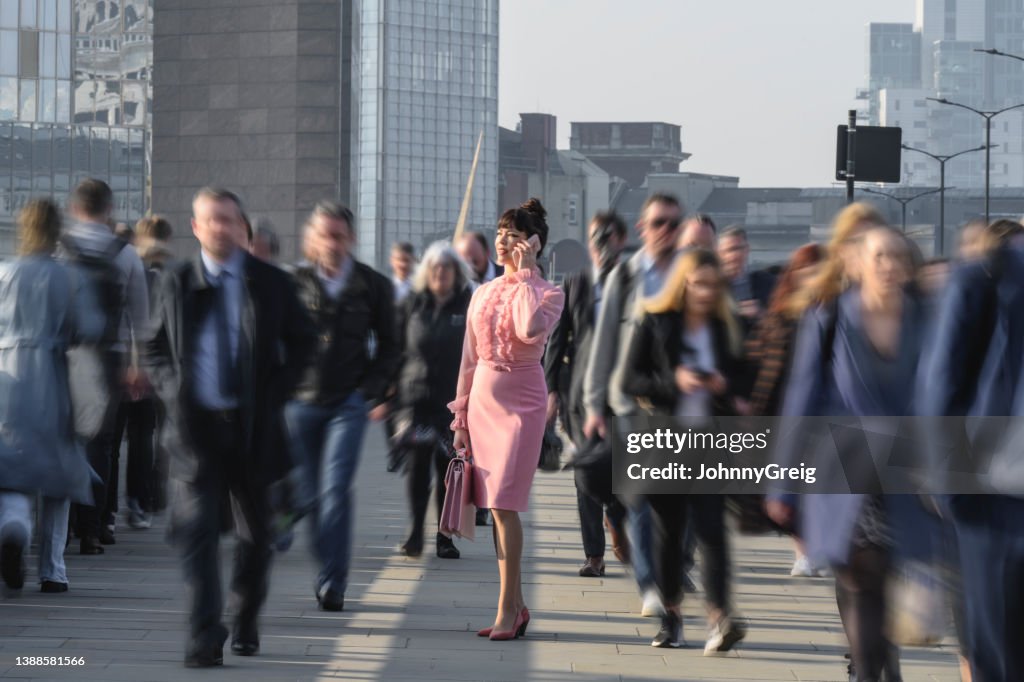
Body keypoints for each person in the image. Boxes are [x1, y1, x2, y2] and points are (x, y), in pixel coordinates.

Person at [144, 187, 315, 667]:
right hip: (195, 429)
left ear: (244, 228)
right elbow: (155, 345)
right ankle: (204, 635)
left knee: (256, 536)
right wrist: (171, 385)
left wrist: (275, 391)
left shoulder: (273, 283)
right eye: (211, 220)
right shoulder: (176, 280)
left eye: (229, 220)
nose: (221, 227)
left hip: (253, 429)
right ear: (196, 228)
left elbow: (304, 344)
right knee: (197, 533)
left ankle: (244, 614)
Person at [772, 219, 926, 682]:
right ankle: (869, 671)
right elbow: (801, 399)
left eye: (898, 256)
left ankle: (882, 664)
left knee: (889, 579)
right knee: (860, 575)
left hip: (906, 471)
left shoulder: (926, 318)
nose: (889, 265)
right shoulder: (831, 317)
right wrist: (782, 484)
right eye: (879, 255)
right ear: (857, 263)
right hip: (843, 466)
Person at [621, 248, 747, 652]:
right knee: (670, 536)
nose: (707, 293)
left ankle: (720, 618)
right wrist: (674, 381)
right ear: (683, 283)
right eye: (699, 284)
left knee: (713, 532)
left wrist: (725, 387)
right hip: (667, 442)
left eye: (714, 285)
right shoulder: (656, 322)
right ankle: (671, 617)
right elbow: (630, 380)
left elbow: (744, 376)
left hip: (712, 442)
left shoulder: (726, 327)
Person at [449, 198, 564, 640]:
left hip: (523, 403)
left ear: (533, 244)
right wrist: (459, 419)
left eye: (514, 235)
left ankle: (505, 608)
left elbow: (528, 328)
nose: (503, 240)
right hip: (481, 403)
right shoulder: (481, 292)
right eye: (501, 232)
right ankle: (515, 606)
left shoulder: (548, 293)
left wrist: (528, 274)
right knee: (494, 507)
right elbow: (468, 360)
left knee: (504, 504)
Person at [919, 220, 1024, 681]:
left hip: (994, 501)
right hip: (996, 498)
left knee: (999, 656)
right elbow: (943, 386)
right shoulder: (987, 275)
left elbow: (941, 385)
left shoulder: (984, 273)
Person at [285, 201, 398, 613]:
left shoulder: (373, 286)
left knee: (335, 490)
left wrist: (369, 390)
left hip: (346, 403)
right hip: (299, 401)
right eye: (323, 235)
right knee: (308, 495)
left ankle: (333, 581)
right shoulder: (293, 282)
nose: (330, 243)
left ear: (351, 238)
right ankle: (312, 541)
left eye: (338, 235)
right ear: (312, 237)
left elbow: (391, 347)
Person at [582, 192, 685, 617]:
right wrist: (592, 405)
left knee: (678, 509)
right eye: (658, 222)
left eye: (673, 223)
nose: (667, 231)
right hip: (631, 405)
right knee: (641, 501)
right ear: (642, 228)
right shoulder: (624, 276)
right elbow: (603, 342)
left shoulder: (690, 273)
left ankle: (669, 575)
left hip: (681, 409)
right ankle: (650, 587)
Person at [0, 199, 103, 593]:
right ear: (57, 229)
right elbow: (89, 327)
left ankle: (15, 528)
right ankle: (53, 569)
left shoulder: (5, 272)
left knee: (11, 464)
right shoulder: (69, 276)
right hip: (52, 375)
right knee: (59, 469)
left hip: (7, 377)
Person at [61, 179, 149, 554]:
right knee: (104, 442)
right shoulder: (126, 254)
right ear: (109, 210)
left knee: (66, 438)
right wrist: (136, 366)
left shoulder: (59, 250)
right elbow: (140, 319)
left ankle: (63, 523)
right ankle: (94, 527)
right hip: (110, 355)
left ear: (74, 208)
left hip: (67, 354)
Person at [544, 211, 630, 577]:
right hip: (579, 396)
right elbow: (556, 340)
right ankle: (594, 554)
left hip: (623, 394)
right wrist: (550, 392)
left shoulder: (634, 283)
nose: (600, 243)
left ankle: (618, 519)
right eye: (595, 236)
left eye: (607, 236)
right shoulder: (576, 283)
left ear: (620, 241)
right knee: (585, 472)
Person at [742, 244, 826, 576]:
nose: (811, 278)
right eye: (805, 271)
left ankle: (815, 546)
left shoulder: (840, 313)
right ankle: (805, 551)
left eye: (817, 270)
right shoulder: (780, 316)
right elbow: (755, 361)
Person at [392, 242, 473, 559]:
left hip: (451, 401)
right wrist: (391, 392)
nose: (441, 273)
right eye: (436, 268)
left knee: (447, 469)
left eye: (447, 268)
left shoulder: (466, 305)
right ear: (427, 271)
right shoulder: (413, 302)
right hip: (415, 399)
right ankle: (414, 532)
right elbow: (396, 346)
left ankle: (444, 536)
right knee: (416, 467)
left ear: (456, 272)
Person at [134, 215, 174, 514]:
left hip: (133, 361)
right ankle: (154, 493)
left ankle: (137, 496)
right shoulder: (171, 273)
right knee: (161, 432)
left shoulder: (132, 269)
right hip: (164, 364)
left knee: (139, 432)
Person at [717, 226, 776, 326]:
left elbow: (780, 319)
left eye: (739, 248)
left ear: (747, 249)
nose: (735, 255)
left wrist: (761, 314)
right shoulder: (714, 286)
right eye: (729, 250)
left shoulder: (767, 283)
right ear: (719, 254)